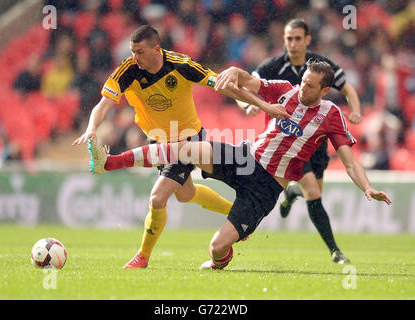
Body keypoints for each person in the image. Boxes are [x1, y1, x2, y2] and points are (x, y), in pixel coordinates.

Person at [87, 61, 391, 270]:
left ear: (325, 91)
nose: (302, 89)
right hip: (245, 159)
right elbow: (248, 80)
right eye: (302, 82)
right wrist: (233, 70)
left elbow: (350, 162)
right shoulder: (285, 90)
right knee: (185, 150)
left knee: (216, 248)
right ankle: (110, 163)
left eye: (310, 86)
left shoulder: (331, 115)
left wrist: (368, 187)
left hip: (267, 187)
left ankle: (222, 257)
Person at [72, 25, 233, 269]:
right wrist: (91, 127)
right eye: (132, 51)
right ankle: (239, 214)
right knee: (185, 194)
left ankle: (143, 256)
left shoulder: (181, 64)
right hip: (158, 139)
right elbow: (104, 104)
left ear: (156, 49)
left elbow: (217, 82)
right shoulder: (128, 70)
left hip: (188, 139)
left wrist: (253, 100)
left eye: (139, 51)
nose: (134, 57)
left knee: (157, 199)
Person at [236, 19, 362, 264]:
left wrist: (355, 110)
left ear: (307, 40)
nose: (292, 44)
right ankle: (335, 251)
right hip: (287, 142)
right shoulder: (272, 66)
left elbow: (348, 89)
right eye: (288, 38)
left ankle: (292, 192)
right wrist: (247, 105)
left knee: (314, 194)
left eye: (297, 38)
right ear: (284, 39)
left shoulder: (320, 67)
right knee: (314, 192)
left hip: (316, 141)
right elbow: (244, 88)